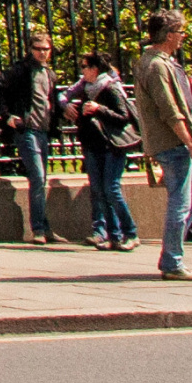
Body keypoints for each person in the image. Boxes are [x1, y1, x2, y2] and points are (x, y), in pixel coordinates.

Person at [131, 9, 192, 280]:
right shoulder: (157, 65)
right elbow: (170, 110)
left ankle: (171, 255)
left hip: (174, 143)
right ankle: (172, 263)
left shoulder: (156, 61)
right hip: (172, 143)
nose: (184, 37)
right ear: (169, 35)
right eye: (181, 32)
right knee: (181, 202)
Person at [0, 29, 62, 244]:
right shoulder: (21, 71)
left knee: (41, 179)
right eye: (38, 49)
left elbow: (53, 100)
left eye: (46, 50)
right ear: (31, 50)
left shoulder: (49, 74)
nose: (42, 53)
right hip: (27, 130)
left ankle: (45, 227)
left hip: (43, 130)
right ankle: (39, 229)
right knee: (37, 177)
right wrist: (8, 116)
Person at [71, 53, 141, 249]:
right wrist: (81, 112)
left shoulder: (110, 87)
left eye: (84, 67)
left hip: (112, 146)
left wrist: (98, 108)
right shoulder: (87, 89)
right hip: (93, 144)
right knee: (100, 191)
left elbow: (122, 117)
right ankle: (114, 236)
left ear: (95, 69)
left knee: (112, 189)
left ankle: (131, 233)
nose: (82, 71)